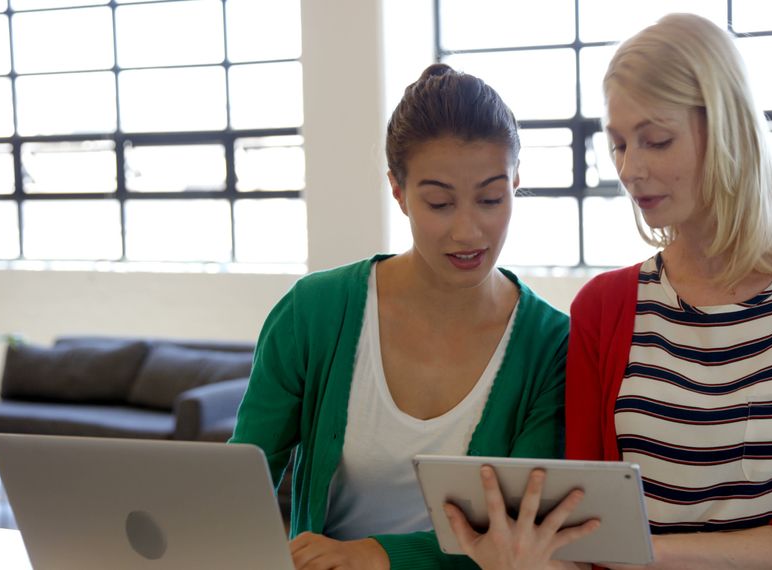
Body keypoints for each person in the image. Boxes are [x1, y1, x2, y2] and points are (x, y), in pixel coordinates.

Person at [443, 13, 772, 569]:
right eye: (619, 145)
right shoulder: (605, 310)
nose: (631, 169)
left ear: (726, 129)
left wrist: (647, 555)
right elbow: (585, 538)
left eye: (656, 140)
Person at [230, 63, 572, 570]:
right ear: (397, 190)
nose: (467, 231)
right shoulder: (313, 312)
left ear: (516, 182)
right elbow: (241, 481)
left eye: (490, 199)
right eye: (438, 202)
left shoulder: (551, 345)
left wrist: (376, 555)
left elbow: (517, 533)